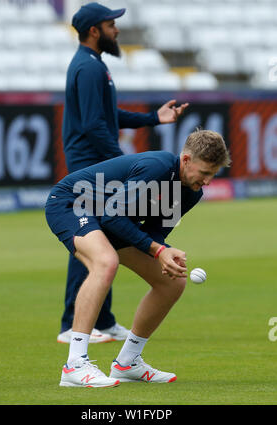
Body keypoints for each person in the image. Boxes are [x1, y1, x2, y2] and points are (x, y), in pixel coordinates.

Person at [45, 129, 231, 387]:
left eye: (213, 174)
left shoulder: (191, 191)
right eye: (205, 172)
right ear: (187, 160)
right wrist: (158, 250)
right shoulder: (157, 168)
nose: (208, 181)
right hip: (72, 203)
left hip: (110, 219)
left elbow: (154, 233)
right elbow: (112, 215)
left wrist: (165, 252)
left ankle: (127, 363)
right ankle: (74, 365)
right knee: (105, 261)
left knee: (172, 281)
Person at [58, 1, 189, 344]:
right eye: (111, 24)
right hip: (90, 163)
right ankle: (73, 323)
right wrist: (126, 164)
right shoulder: (88, 67)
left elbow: (108, 115)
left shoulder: (93, 65)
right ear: (93, 31)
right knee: (90, 238)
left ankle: (102, 319)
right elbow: (93, 125)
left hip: (96, 160)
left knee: (103, 237)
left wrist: (151, 119)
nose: (116, 29)